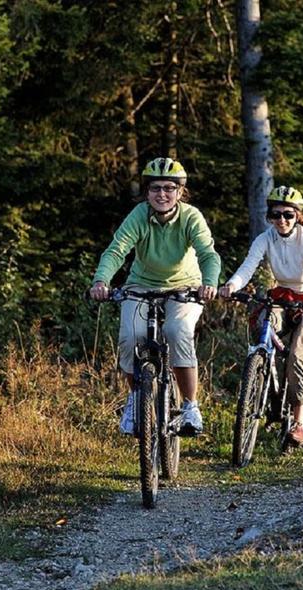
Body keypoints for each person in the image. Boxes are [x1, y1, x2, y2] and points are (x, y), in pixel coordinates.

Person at [89, 157, 221, 436]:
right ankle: (136, 399)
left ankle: (189, 407)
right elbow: (116, 250)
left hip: (185, 287)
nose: (162, 194)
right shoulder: (139, 215)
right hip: (140, 285)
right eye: (155, 188)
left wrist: (209, 283)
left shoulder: (190, 217)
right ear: (147, 192)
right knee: (130, 336)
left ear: (180, 191)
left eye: (169, 188)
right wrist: (102, 280)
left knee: (177, 330)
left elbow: (208, 254)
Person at [219, 186, 303, 446]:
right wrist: (231, 286)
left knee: (298, 354)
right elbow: (248, 266)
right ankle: (264, 375)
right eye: (276, 215)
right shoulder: (265, 238)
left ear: (298, 215)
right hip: (281, 298)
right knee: (264, 327)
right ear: (269, 216)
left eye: (288, 215)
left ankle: (298, 422)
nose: (282, 221)